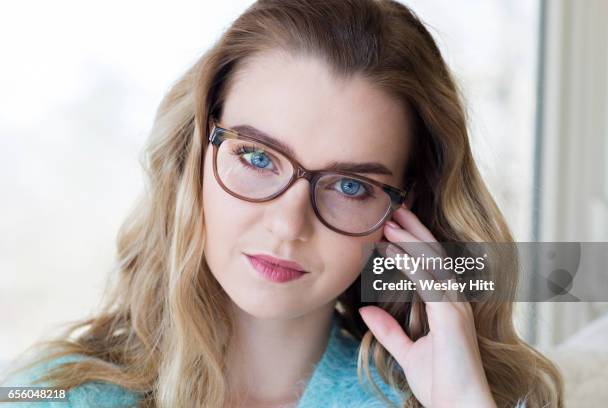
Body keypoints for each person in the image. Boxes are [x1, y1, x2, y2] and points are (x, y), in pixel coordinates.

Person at [0, 0, 563, 407]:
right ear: (196, 151)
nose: (289, 224)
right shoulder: (48, 391)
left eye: (350, 186)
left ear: (401, 213)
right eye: (258, 158)